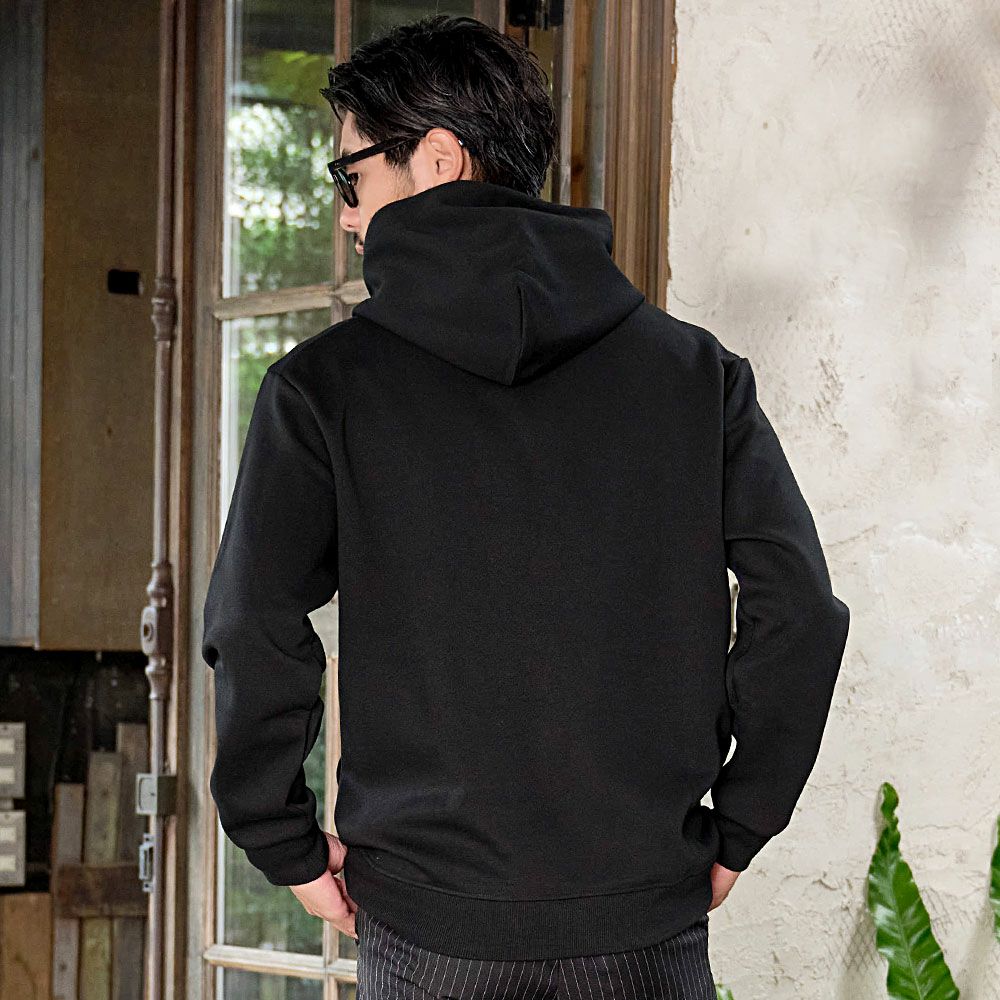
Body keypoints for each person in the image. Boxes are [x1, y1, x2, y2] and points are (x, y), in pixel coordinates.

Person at [201, 14, 851, 999]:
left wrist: (281, 840)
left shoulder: (325, 387)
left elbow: (252, 620)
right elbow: (797, 607)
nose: (344, 215)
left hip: (428, 923)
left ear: (437, 158)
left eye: (350, 176)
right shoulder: (693, 377)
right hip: (643, 920)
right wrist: (743, 820)